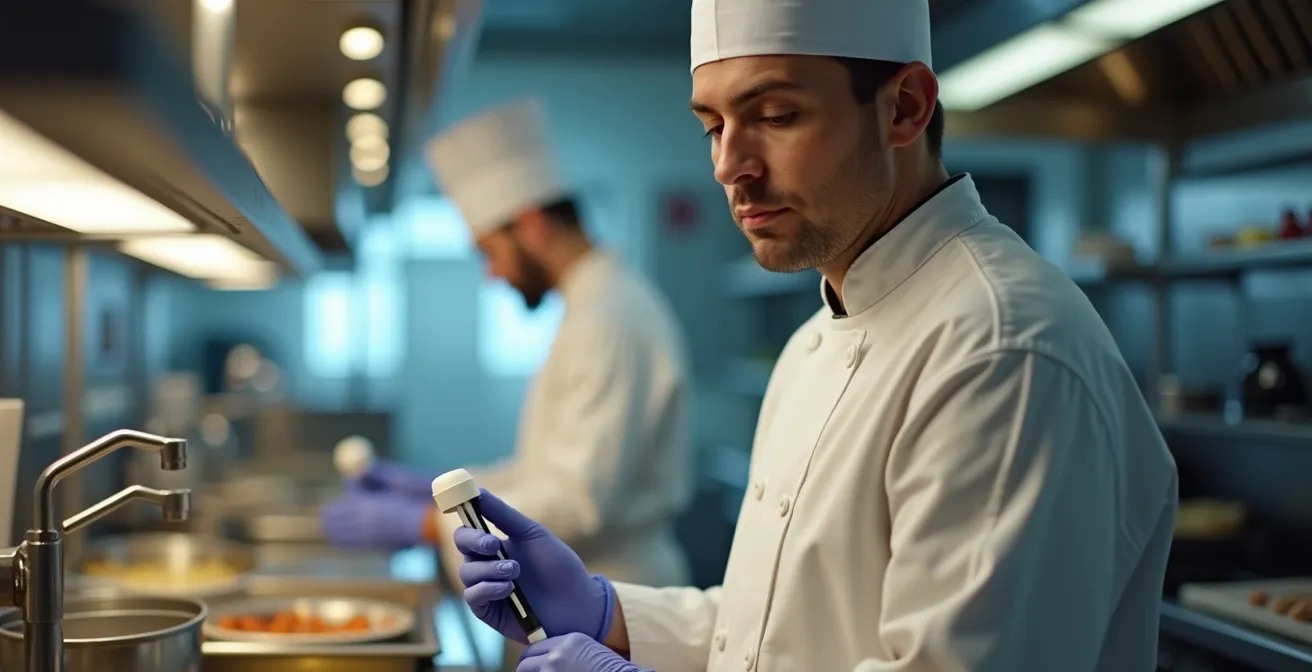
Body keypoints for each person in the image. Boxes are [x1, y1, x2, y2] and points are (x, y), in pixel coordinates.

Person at [451, 0, 1180, 670]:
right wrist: (612, 616)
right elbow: (776, 629)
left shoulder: (1001, 349)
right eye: (713, 126)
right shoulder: (813, 342)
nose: (729, 166)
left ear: (905, 108)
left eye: (775, 115)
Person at [319, 99, 695, 593]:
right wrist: (442, 492)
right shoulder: (593, 305)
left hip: (616, 590)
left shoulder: (607, 319)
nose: (492, 275)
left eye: (489, 253)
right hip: (588, 585)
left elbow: (576, 502)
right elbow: (543, 472)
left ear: (532, 225)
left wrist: (428, 524)